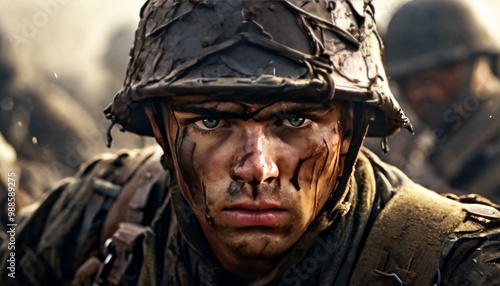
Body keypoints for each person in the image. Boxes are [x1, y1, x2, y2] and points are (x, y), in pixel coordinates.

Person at [1, 1, 500, 285]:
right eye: (212, 123)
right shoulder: (100, 210)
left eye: (297, 119)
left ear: (351, 129)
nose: (257, 168)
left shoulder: (459, 262)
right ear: (160, 126)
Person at [375, 0, 500, 201]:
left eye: (437, 74)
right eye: (407, 81)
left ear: (478, 64)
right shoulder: (432, 137)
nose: (418, 94)